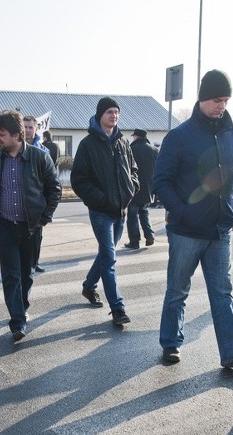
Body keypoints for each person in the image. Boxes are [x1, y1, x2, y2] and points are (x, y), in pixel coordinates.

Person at [152, 69, 233, 369]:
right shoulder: (179, 137)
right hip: (186, 232)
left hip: (220, 230)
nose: (222, 106)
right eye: (217, 100)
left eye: (226, 100)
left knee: (222, 293)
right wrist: (184, 212)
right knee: (177, 290)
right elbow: (160, 181)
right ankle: (171, 343)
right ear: (202, 99)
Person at [0, 110, 61, 342]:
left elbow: (54, 190)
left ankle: (22, 305)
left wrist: (44, 218)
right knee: (11, 275)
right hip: (4, 228)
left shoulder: (39, 158)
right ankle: (17, 322)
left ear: (16, 134)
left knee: (26, 274)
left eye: (1, 135)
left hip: (31, 227)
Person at [72, 97, 139, 326]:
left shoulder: (122, 143)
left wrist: (132, 189)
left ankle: (89, 286)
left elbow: (133, 170)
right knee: (109, 258)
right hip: (101, 212)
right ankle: (118, 308)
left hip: (121, 210)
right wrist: (99, 199)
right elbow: (78, 180)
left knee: (104, 255)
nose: (114, 116)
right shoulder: (88, 144)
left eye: (117, 112)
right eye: (110, 112)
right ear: (100, 115)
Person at [24, 115, 50, 273]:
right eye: (25, 127)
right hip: (20, 198)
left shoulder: (43, 150)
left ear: (36, 129)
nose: (27, 130)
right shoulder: (14, 147)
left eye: (30, 127)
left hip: (38, 199)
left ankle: (35, 261)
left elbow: (49, 177)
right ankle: (26, 263)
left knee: (37, 235)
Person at [124, 128, 158, 249]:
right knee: (144, 212)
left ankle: (134, 241)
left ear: (136, 137)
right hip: (149, 188)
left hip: (134, 187)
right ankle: (149, 235)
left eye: (133, 136)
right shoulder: (154, 150)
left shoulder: (130, 150)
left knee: (132, 215)